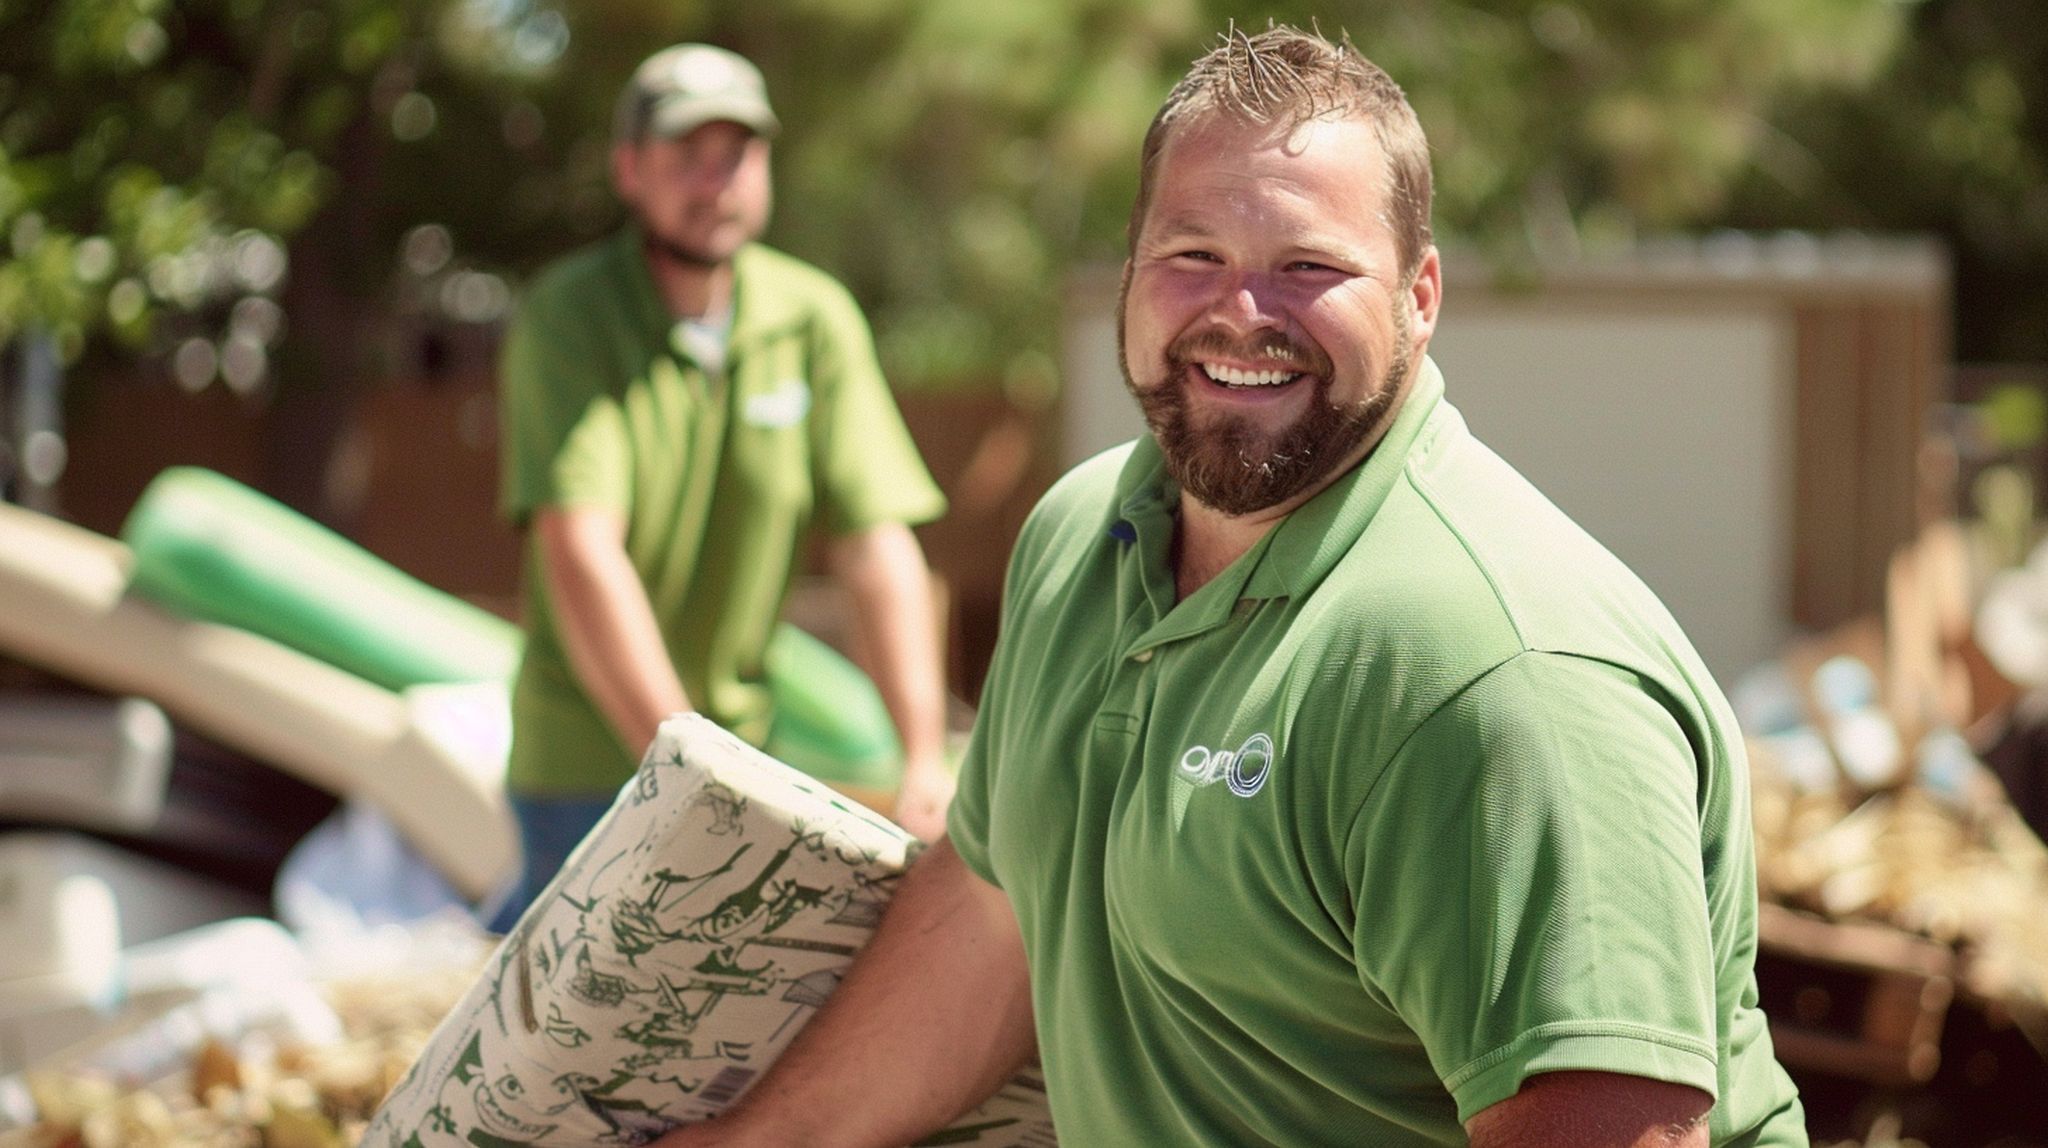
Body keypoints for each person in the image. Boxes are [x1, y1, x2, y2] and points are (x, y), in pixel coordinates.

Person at [656, 25, 1806, 1147]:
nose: (1239, 312)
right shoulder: (1078, 538)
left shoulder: (1496, 674)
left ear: (1419, 296)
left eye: (1307, 267)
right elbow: (993, 914)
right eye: (1191, 255)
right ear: (1129, 273)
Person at [493, 43, 953, 927]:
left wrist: (924, 757)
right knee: (593, 1056)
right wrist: (683, 765)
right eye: (685, 157)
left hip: (748, 763)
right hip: (590, 774)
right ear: (630, 170)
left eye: (736, 155)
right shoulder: (570, 317)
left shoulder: (811, 319)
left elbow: (876, 544)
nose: (716, 182)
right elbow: (579, 547)